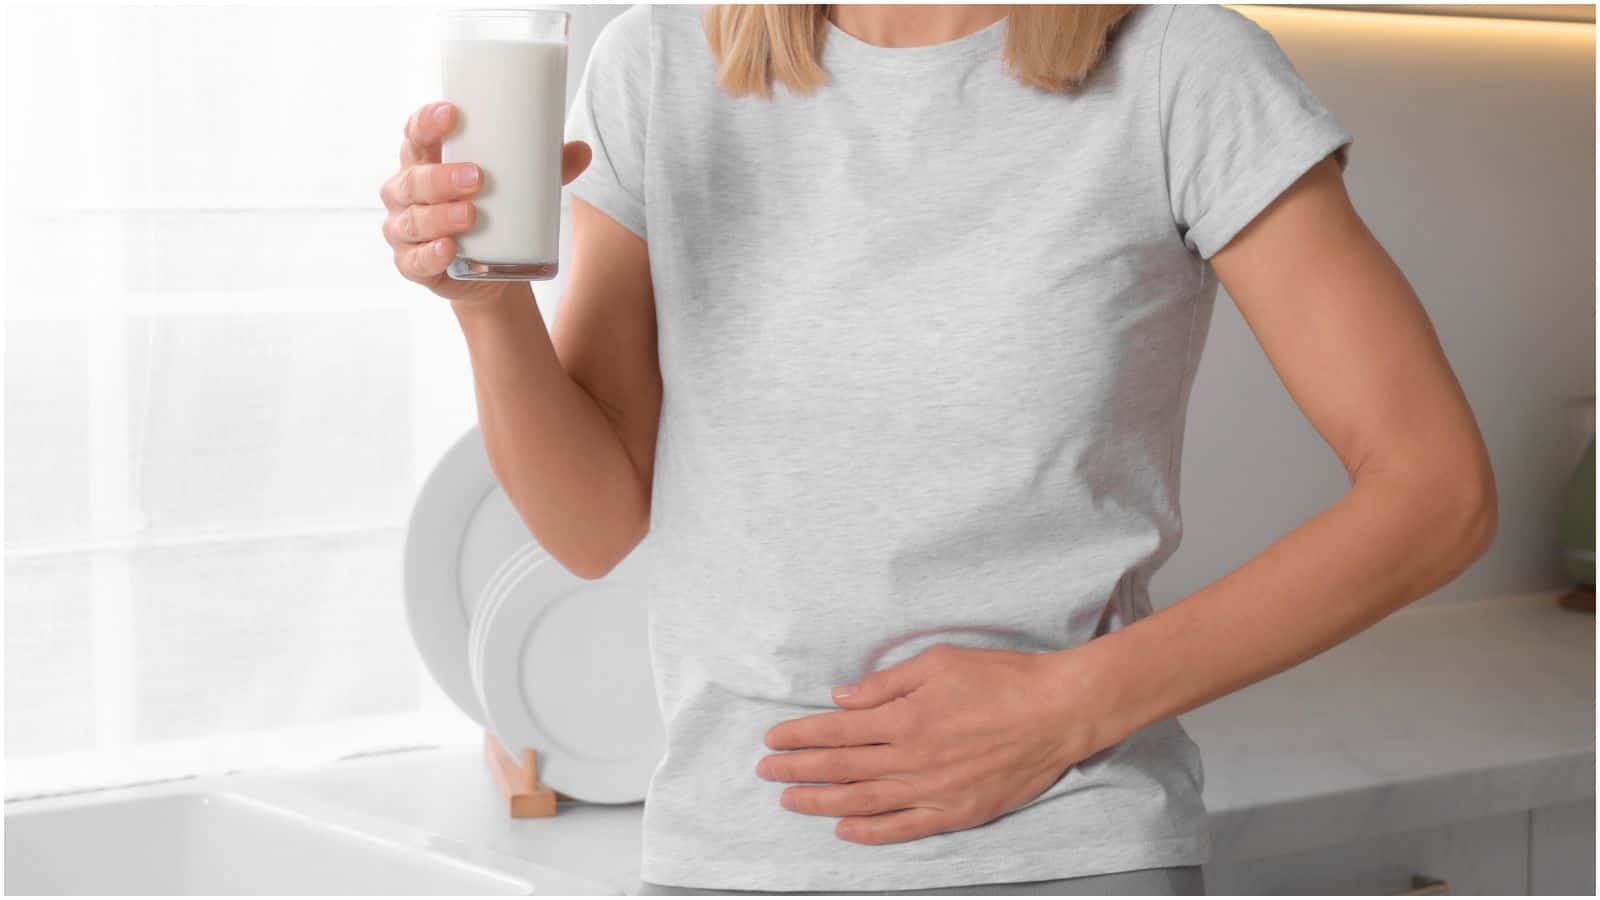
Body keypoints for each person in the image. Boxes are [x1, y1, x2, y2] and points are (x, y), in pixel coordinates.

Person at [379, 4, 1497, 895]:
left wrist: (1074, 703)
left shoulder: (1179, 69)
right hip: (729, 858)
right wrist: (485, 309)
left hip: (1062, 852)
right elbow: (592, 527)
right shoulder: (658, 64)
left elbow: (1435, 493)